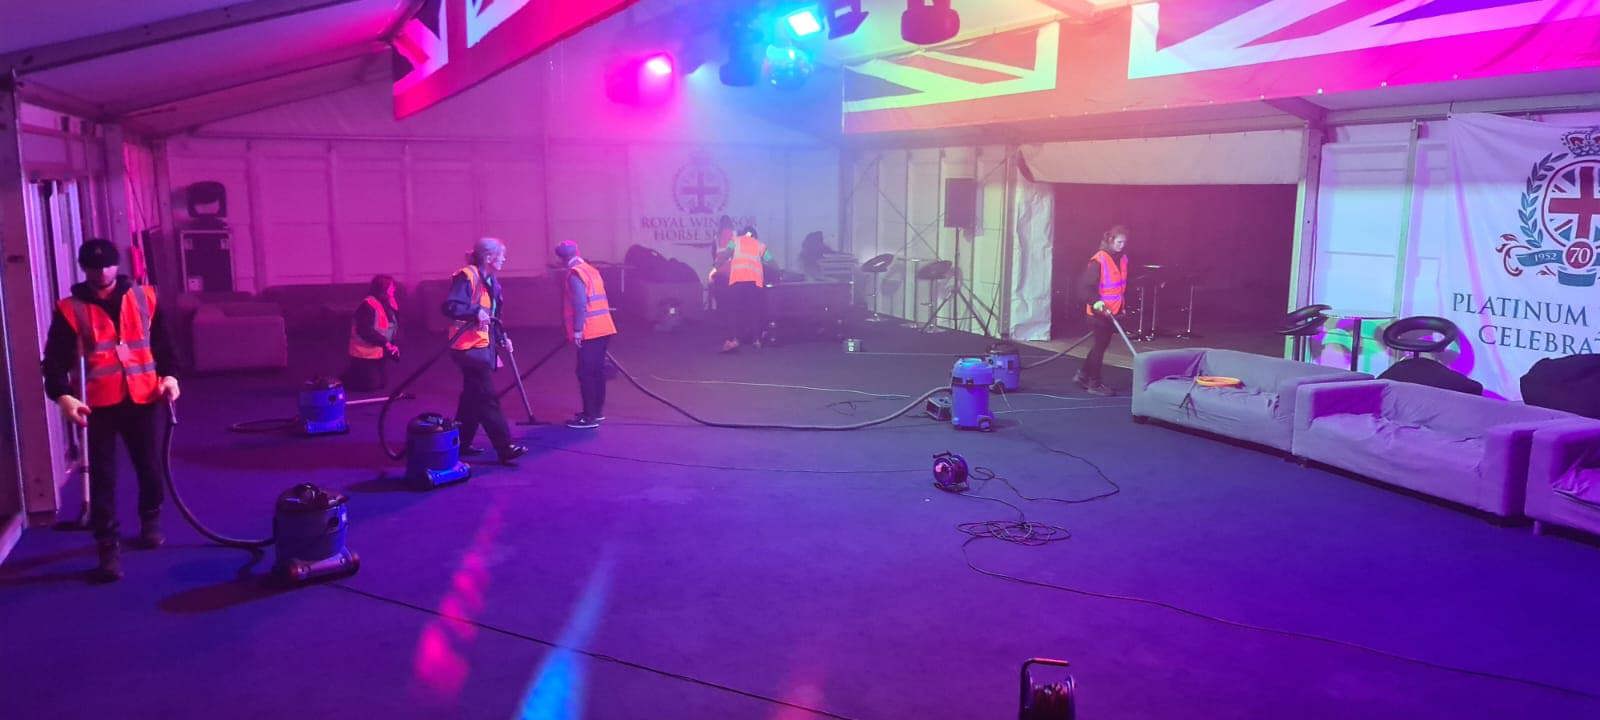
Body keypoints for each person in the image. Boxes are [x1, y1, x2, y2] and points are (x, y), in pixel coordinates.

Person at [41, 238, 182, 583]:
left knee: (149, 466)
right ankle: (107, 545)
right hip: (98, 404)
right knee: (103, 477)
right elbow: (55, 360)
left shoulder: (145, 297)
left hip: (142, 397)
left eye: (106, 265)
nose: (101, 272)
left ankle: (151, 518)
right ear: (83, 268)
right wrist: (62, 396)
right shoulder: (70, 309)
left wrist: (171, 377)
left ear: (118, 266)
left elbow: (163, 344)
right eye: (92, 266)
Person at [441, 237, 527, 464]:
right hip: (467, 348)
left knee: (472, 397)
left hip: (483, 346)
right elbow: (451, 306)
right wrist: (474, 311)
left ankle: (460, 442)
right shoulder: (467, 276)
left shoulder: (492, 282)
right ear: (489, 257)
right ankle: (504, 447)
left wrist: (502, 338)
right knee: (487, 397)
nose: (505, 259)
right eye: (502, 255)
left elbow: (493, 318)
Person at [555, 241, 617, 429]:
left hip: (590, 330)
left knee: (586, 373)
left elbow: (580, 304)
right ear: (577, 252)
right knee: (597, 372)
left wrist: (577, 330)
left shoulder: (575, 274)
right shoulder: (591, 270)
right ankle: (596, 412)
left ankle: (589, 416)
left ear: (561, 259)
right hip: (604, 327)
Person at [1076, 225, 1129, 396]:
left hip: (1111, 313)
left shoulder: (1122, 259)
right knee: (1100, 346)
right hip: (1098, 313)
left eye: (1124, 242)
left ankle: (1083, 375)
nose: (1122, 245)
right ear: (1111, 240)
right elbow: (1084, 288)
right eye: (1119, 242)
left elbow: (1119, 288)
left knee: (1100, 345)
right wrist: (1096, 302)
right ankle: (1094, 383)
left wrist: (1121, 308)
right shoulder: (1098, 260)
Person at [715, 225, 774, 353]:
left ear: (742, 234)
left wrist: (717, 265)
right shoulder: (760, 245)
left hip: (737, 282)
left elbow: (726, 255)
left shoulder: (734, 241)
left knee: (735, 311)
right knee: (755, 311)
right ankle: (757, 340)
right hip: (754, 284)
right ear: (754, 235)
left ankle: (735, 339)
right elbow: (772, 262)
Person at [342, 274, 400, 393]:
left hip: (378, 351)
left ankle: (358, 373)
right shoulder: (368, 305)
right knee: (370, 385)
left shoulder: (387, 304)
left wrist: (392, 346)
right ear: (383, 288)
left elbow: (391, 327)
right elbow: (364, 330)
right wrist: (386, 343)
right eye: (391, 286)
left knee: (382, 384)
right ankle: (347, 377)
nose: (394, 289)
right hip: (364, 353)